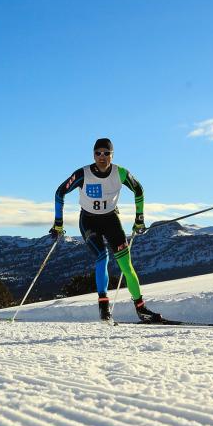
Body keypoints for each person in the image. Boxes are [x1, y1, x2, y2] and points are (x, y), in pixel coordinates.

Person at [51, 138, 162, 323]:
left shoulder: (120, 173)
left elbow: (139, 190)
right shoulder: (83, 173)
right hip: (89, 221)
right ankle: (104, 309)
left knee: (126, 266)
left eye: (106, 153)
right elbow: (60, 192)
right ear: (93, 155)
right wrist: (58, 223)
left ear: (112, 154)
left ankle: (141, 309)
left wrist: (139, 219)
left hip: (111, 220)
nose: (102, 157)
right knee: (102, 256)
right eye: (98, 153)